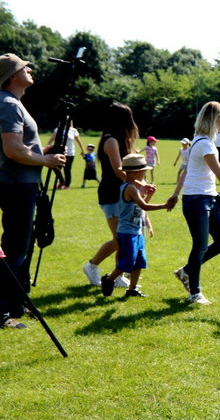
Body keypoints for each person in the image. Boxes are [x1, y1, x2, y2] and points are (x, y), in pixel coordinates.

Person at [0, 53, 66, 329]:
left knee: (20, 246)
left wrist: (43, 152)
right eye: (24, 67)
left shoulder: (12, 103)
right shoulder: (8, 104)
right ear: (13, 76)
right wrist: (45, 160)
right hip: (16, 184)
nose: (30, 69)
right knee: (14, 248)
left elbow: (19, 147)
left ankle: (14, 304)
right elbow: (12, 149)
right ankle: (2, 312)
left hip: (20, 182)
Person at [167, 101, 220, 305]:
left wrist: (176, 193)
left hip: (209, 198)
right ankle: (194, 293)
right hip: (196, 199)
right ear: (214, 119)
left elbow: (187, 170)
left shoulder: (202, 140)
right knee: (201, 245)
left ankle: (186, 271)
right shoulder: (203, 142)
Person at [82, 103, 139, 290]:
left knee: (123, 237)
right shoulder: (111, 140)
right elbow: (119, 170)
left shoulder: (120, 139)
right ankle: (92, 265)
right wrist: (139, 185)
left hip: (122, 193)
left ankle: (118, 275)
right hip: (111, 193)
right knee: (120, 239)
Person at [99, 154, 170, 298]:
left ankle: (132, 289)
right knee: (127, 262)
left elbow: (140, 207)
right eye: (144, 170)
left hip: (136, 231)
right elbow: (144, 206)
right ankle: (109, 279)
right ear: (137, 172)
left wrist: (149, 195)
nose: (145, 173)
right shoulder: (129, 188)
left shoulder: (133, 188)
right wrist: (165, 205)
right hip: (126, 232)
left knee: (139, 261)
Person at [47, 119, 84, 189]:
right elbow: (52, 139)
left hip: (70, 153)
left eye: (68, 121)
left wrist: (82, 150)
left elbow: (79, 141)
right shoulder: (57, 129)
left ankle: (67, 185)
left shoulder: (73, 130)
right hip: (59, 153)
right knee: (55, 167)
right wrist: (47, 147)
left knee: (67, 169)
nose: (66, 122)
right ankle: (62, 181)